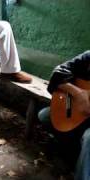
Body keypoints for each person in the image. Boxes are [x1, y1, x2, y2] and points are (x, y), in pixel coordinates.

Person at [38, 51, 90, 180]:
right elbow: (58, 72)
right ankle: (70, 155)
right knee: (45, 116)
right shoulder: (88, 56)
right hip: (76, 110)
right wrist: (78, 94)